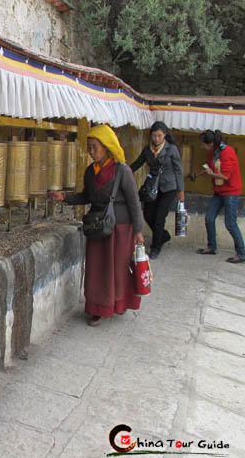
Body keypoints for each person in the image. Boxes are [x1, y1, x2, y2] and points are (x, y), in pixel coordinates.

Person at [49, 125, 144, 327]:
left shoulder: (122, 170)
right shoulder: (90, 172)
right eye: (89, 147)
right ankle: (97, 308)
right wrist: (65, 197)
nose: (91, 152)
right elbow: (86, 196)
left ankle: (118, 303)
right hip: (97, 226)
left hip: (120, 227)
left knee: (117, 269)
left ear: (107, 147)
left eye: (95, 147)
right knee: (96, 269)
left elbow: (134, 201)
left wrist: (138, 230)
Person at [129, 121, 184, 259]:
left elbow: (178, 170)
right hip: (152, 187)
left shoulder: (171, 149)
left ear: (164, 135)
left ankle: (156, 247)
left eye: (159, 136)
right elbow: (137, 164)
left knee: (159, 218)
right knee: (148, 215)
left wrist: (180, 190)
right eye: (154, 136)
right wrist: (123, 171)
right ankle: (163, 235)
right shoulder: (148, 149)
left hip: (168, 187)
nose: (156, 139)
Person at [193, 130, 244, 263]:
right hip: (220, 191)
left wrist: (210, 174)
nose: (202, 147)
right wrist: (196, 175)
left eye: (204, 144)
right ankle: (212, 247)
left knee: (230, 224)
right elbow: (209, 167)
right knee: (209, 218)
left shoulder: (228, 153)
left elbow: (225, 176)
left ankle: (241, 253)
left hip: (231, 192)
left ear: (211, 144)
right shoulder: (215, 152)